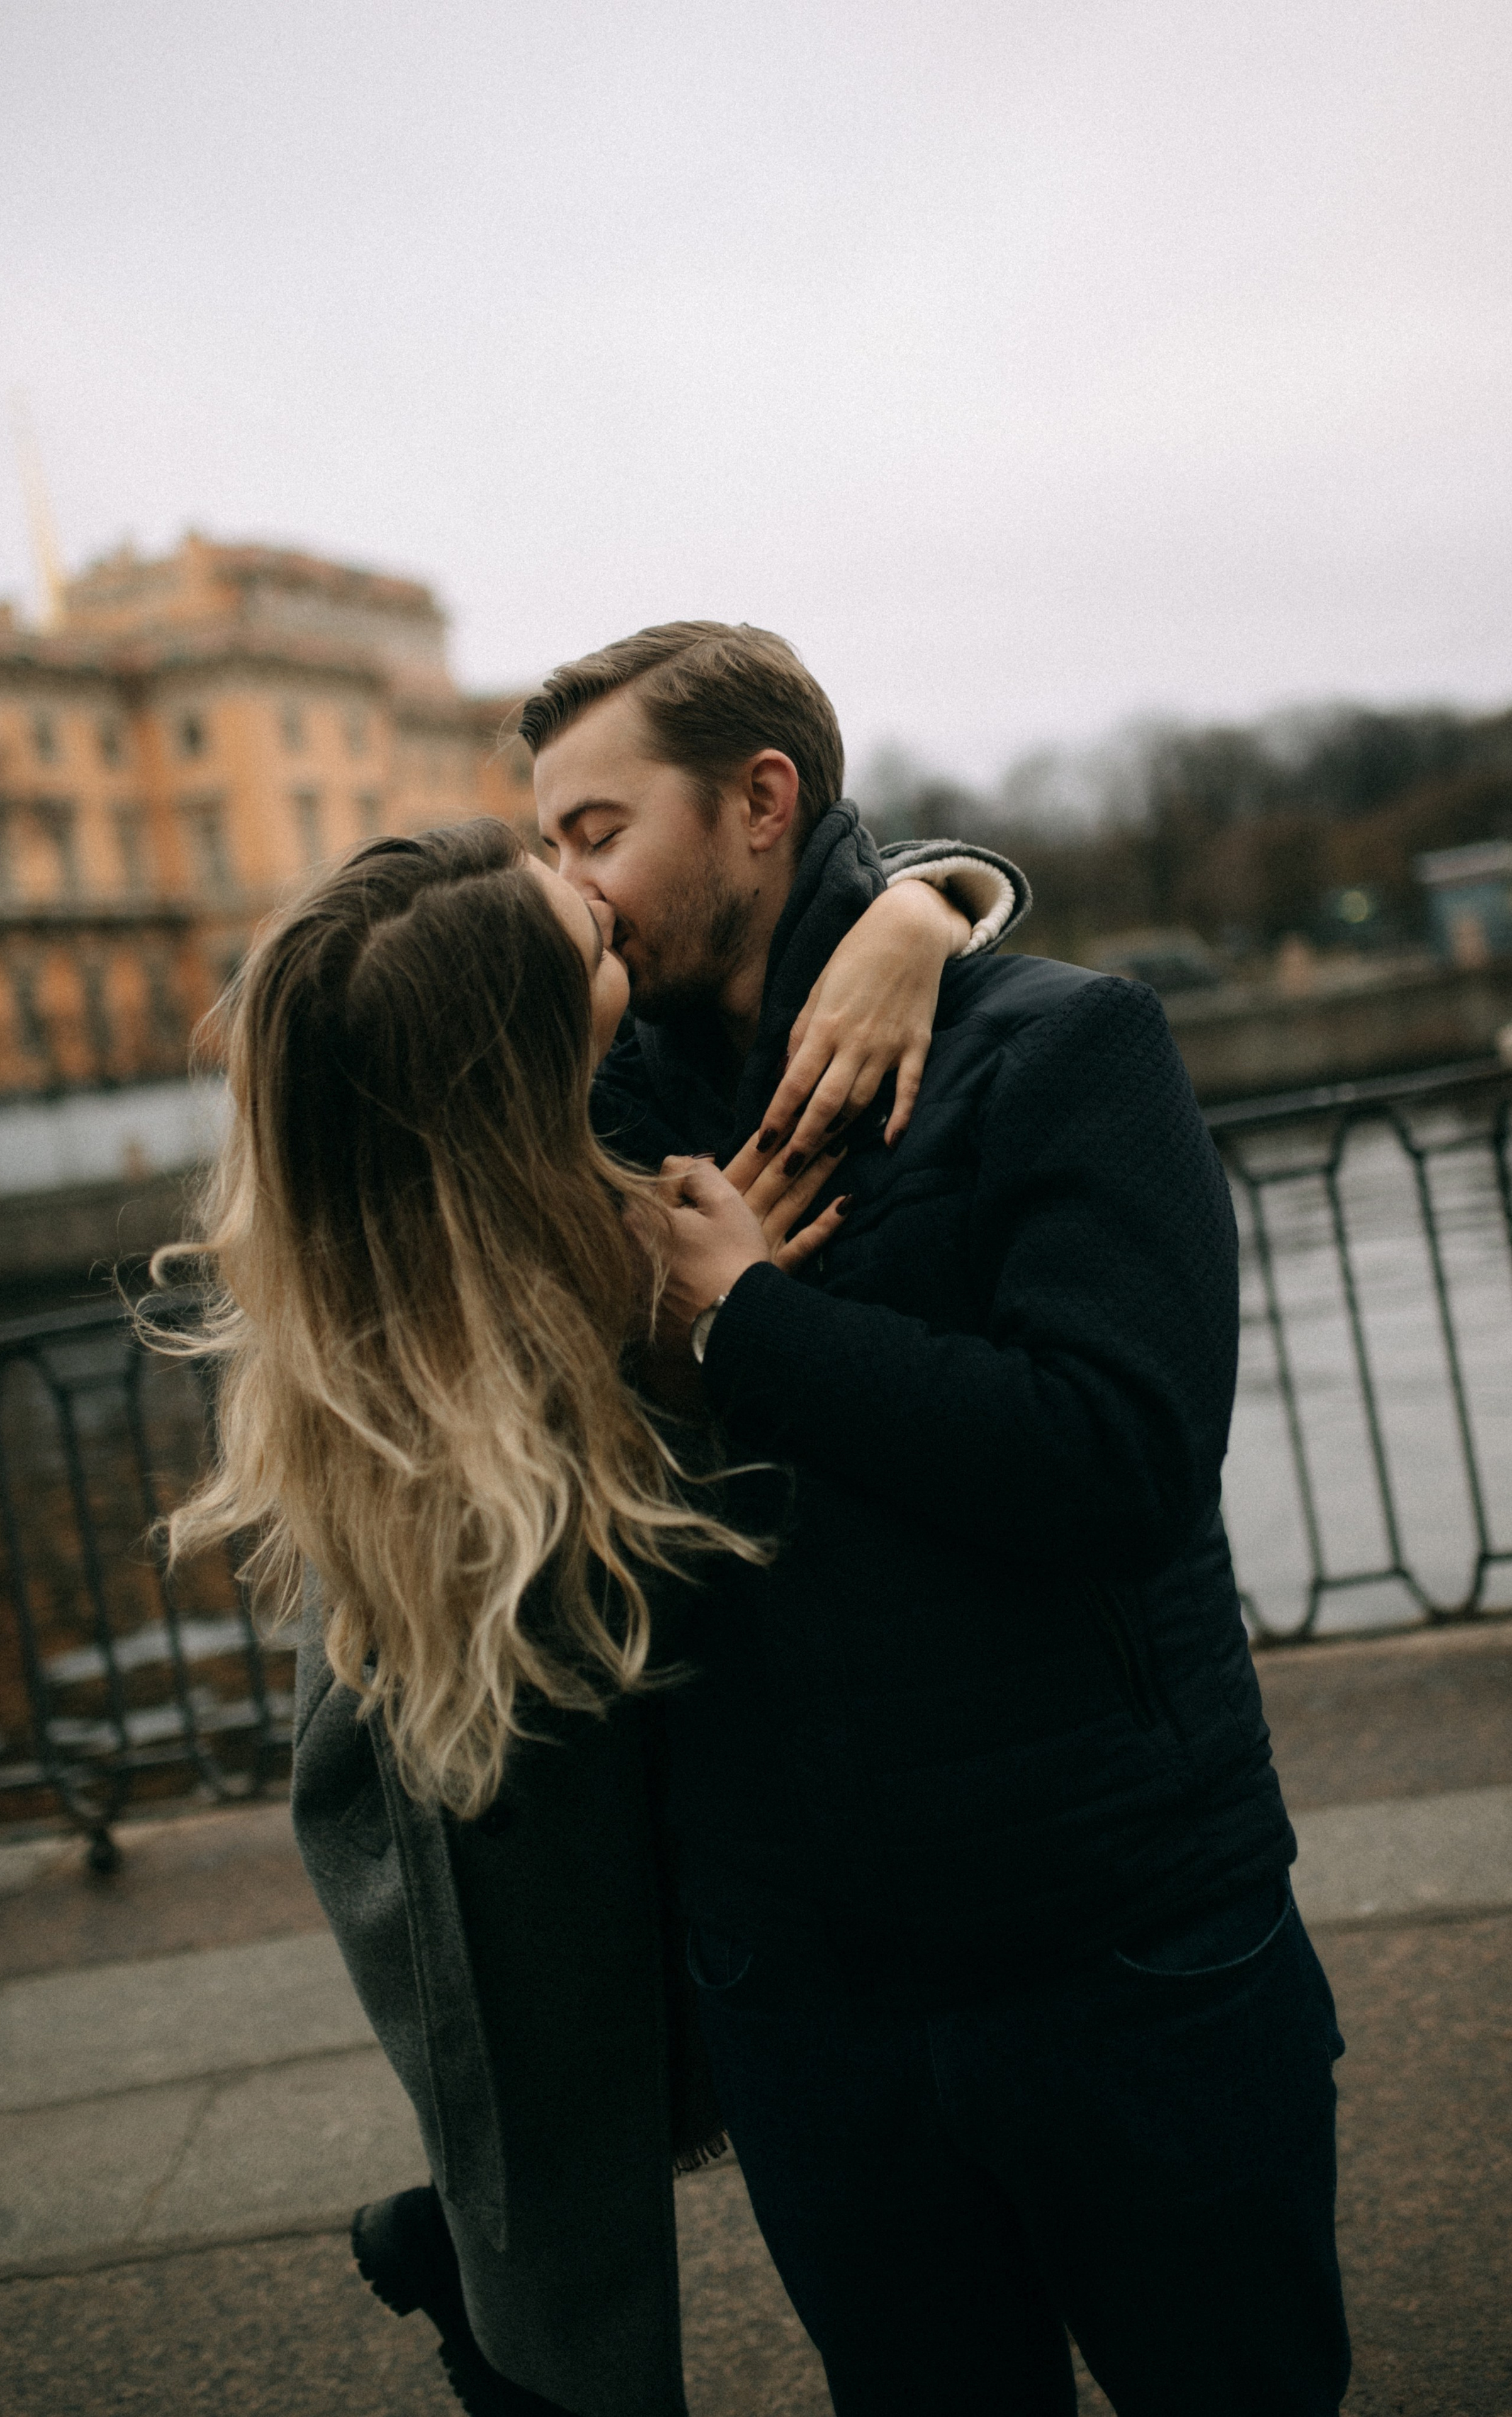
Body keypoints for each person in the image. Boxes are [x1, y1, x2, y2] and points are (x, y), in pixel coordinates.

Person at [524, 620, 1352, 2416]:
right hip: (811, 2003)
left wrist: (748, 1325)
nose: (568, 888)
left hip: (1126, 1949)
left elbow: (1118, 1460)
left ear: (762, 803)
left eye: (595, 831)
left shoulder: (1065, 1048)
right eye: (547, 848)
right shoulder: (583, 1131)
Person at [150, 812, 999, 2417]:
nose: (615, 917)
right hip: (470, 1796)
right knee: (557, 2216)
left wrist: (924, 904)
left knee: (599, 2117)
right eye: (588, 940)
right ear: (518, 1050)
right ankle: (495, 2318)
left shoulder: (444, 1156)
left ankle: (464, 2255)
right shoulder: (441, 1326)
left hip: (552, 1738)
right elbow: (647, 1550)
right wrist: (697, 1353)